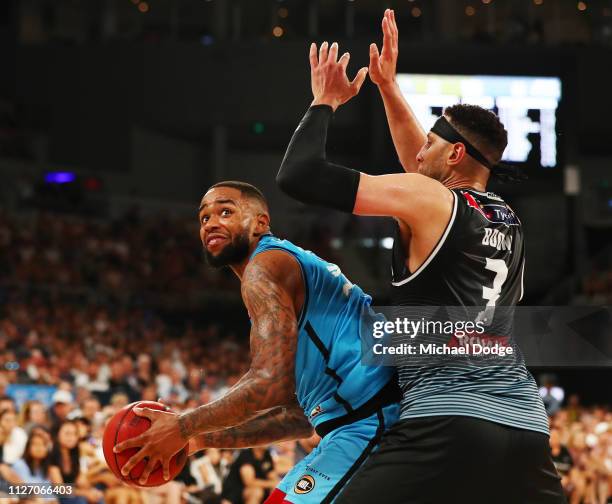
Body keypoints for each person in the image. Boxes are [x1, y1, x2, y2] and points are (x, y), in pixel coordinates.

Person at [275, 9, 566, 504]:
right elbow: (422, 172)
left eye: (431, 144)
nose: (417, 152)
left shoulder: (430, 201)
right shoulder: (505, 217)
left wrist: (323, 103)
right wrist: (388, 88)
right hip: (526, 429)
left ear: (453, 156)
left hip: (447, 420)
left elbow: (298, 176)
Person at [114, 180, 400, 503]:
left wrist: (182, 425)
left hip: (374, 420)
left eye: (226, 211)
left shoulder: (263, 269)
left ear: (260, 223)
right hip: (361, 422)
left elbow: (269, 384)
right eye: (204, 218)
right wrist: (200, 439)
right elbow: (296, 420)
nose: (211, 224)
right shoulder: (280, 277)